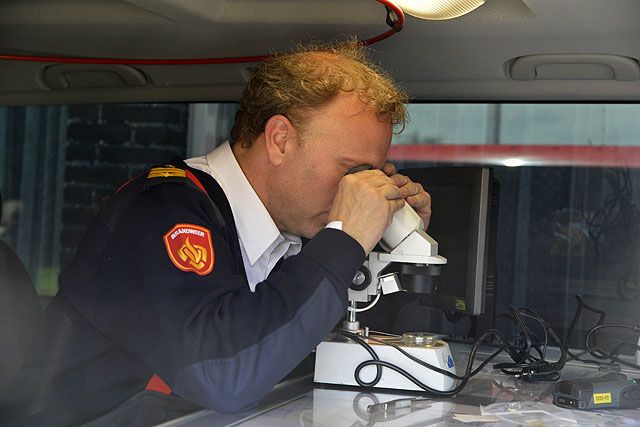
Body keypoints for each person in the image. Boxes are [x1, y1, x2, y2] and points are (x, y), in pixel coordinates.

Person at [3, 43, 432, 426]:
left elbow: (343, 358)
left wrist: (394, 248)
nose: (360, 189)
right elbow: (224, 374)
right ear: (280, 139)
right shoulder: (163, 211)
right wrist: (344, 240)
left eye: (373, 175)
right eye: (352, 171)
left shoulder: (292, 230)